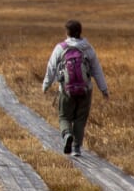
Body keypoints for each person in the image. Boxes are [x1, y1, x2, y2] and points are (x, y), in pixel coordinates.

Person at [41, 19, 109, 157]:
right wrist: (104, 89)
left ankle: (67, 135)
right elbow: (97, 70)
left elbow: (51, 68)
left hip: (66, 91)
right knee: (80, 118)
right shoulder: (87, 48)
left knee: (64, 117)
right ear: (80, 32)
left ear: (67, 32)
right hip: (85, 90)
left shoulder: (60, 48)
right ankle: (76, 148)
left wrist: (46, 85)